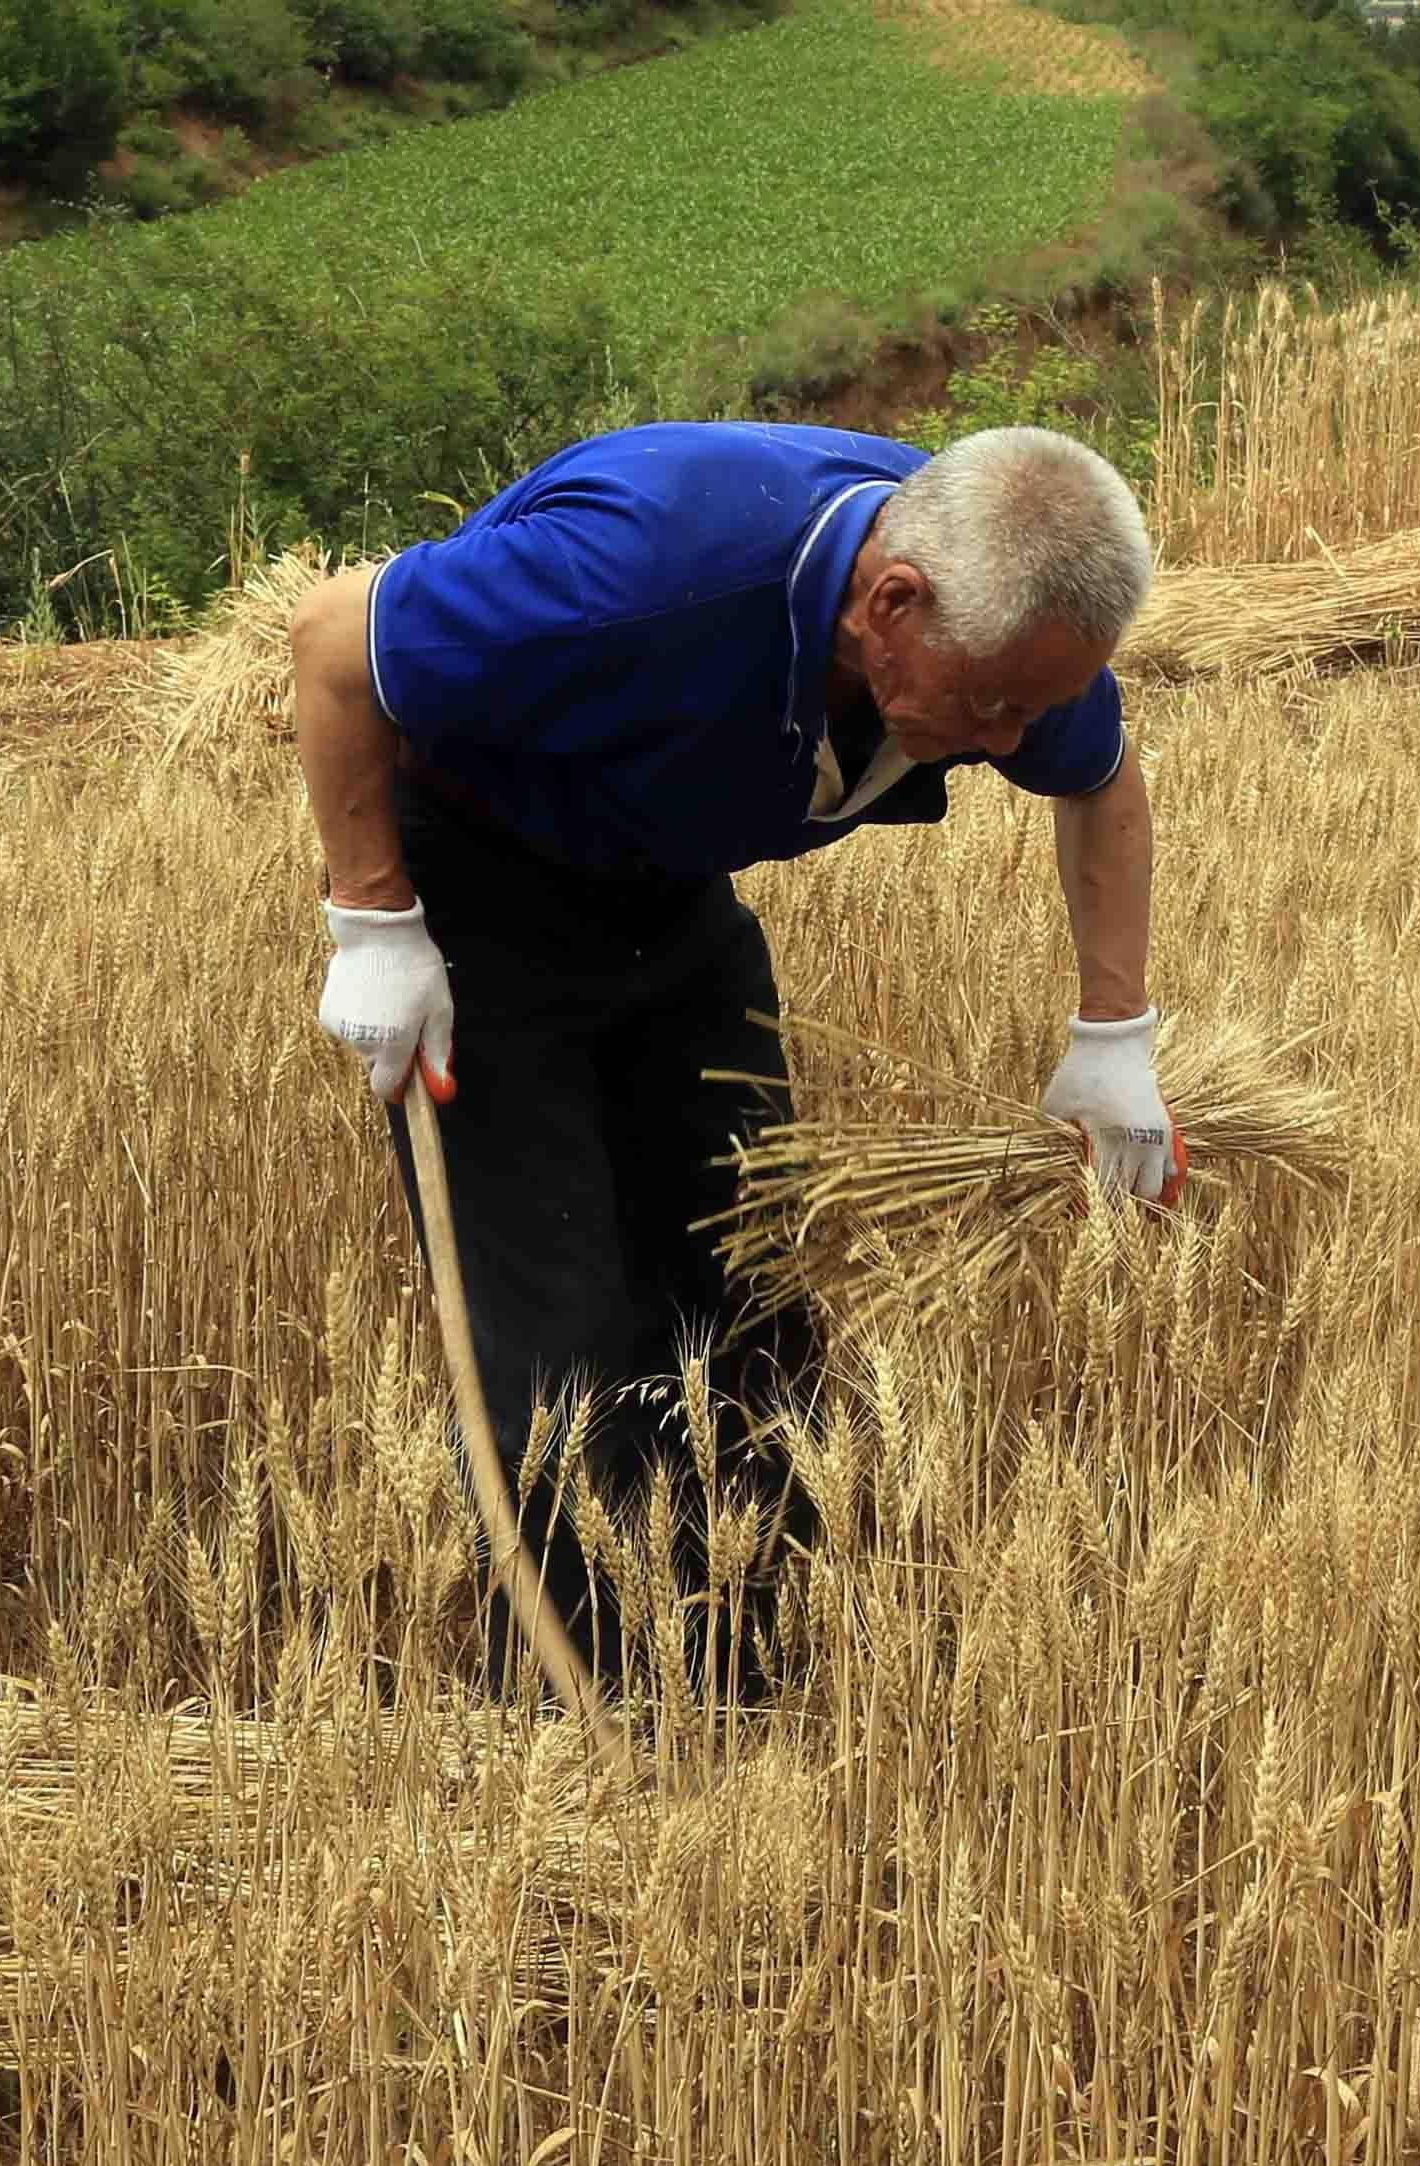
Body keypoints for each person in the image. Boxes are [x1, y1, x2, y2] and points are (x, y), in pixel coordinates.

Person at [285, 421, 1172, 1696]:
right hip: (479, 885)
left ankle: (747, 1665)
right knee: (558, 1334)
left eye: (1028, 708)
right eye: (988, 705)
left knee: (746, 1293)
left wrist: (1113, 1035)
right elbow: (331, 640)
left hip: (667, 887)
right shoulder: (642, 570)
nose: (1003, 739)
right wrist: (373, 920)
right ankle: (579, 1719)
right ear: (891, 603)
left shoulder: (1015, 603)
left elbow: (1103, 778)